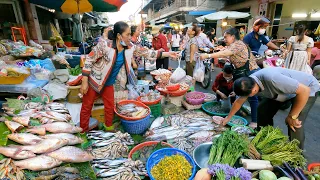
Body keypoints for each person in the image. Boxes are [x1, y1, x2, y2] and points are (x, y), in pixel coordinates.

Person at [80, 21, 177, 132]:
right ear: (118, 36)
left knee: (110, 107)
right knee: (87, 107)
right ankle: (83, 131)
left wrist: (168, 54)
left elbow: (147, 53)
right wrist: (84, 81)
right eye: (127, 34)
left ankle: (108, 128)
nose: (130, 37)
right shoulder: (104, 45)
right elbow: (89, 59)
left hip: (109, 83)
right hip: (94, 80)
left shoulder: (130, 47)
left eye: (130, 34)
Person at [222, 67, 319, 149]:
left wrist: (292, 116)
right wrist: (228, 118)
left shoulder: (273, 79)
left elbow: (304, 91)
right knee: (262, 111)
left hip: (307, 89)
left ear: (255, 89)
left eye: (248, 95)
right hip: (283, 91)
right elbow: (238, 101)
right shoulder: (247, 84)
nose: (246, 97)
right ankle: (265, 139)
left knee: (294, 123)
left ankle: (297, 152)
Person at [200, 28, 260, 128]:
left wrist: (208, 55)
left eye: (226, 37)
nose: (224, 39)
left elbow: (225, 53)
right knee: (240, 94)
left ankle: (255, 121)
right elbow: (229, 55)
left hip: (250, 72)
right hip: (243, 72)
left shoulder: (238, 44)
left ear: (232, 36)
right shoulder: (233, 45)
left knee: (252, 97)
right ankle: (234, 116)